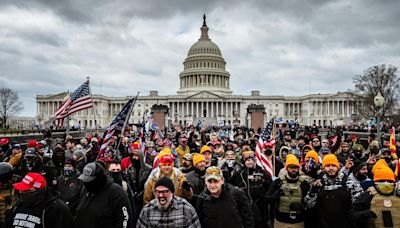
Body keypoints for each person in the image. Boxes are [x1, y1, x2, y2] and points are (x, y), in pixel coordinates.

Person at [3, 172, 73, 228]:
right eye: (20, 190)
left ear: (37, 190)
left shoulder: (57, 209)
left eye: (25, 190)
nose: (21, 192)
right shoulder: (19, 205)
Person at [75, 162, 134, 228]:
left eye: (89, 180)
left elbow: (125, 220)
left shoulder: (116, 192)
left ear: (98, 178)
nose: (86, 183)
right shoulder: (85, 190)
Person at [305, 154, 352, 228]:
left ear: (338, 167)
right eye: (327, 166)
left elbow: (356, 204)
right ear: (323, 168)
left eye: (333, 165)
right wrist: (313, 191)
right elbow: (309, 205)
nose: (330, 168)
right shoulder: (319, 183)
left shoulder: (347, 182)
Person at [349, 162, 400, 227]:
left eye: (389, 181)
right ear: (375, 182)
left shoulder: (398, 194)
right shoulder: (368, 194)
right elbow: (352, 214)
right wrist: (362, 214)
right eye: (381, 181)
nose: (386, 183)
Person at [137, 177, 201, 227]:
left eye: (165, 191)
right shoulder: (147, 210)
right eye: (158, 192)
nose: (161, 195)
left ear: (172, 192)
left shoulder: (186, 208)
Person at [266, 154, 310, 228]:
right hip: (281, 221)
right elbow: (267, 198)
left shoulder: (304, 184)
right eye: (291, 167)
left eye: (295, 167)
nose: (293, 170)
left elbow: (310, 203)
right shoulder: (278, 182)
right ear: (286, 168)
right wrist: (276, 196)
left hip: (298, 222)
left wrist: (302, 206)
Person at [231, 151, 272, 228]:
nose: (250, 162)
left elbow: (270, 186)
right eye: (247, 160)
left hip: (260, 205)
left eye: (252, 160)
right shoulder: (239, 174)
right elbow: (231, 185)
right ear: (244, 161)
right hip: (245, 205)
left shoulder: (261, 172)